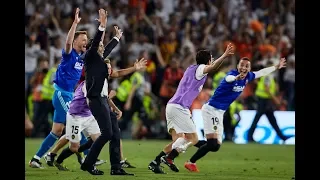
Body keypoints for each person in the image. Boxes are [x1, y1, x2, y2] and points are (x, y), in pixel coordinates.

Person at [184, 57, 287, 172]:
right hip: (211, 110)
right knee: (212, 143)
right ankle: (191, 162)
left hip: (219, 112)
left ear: (249, 68)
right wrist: (236, 78)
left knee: (215, 146)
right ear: (238, 66)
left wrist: (277, 66)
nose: (243, 68)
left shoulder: (248, 77)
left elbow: (262, 72)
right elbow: (228, 79)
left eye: (246, 66)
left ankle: (190, 141)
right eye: (241, 65)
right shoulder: (232, 74)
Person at [148, 44, 234, 174]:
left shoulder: (190, 68)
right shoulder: (200, 69)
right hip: (179, 107)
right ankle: (170, 158)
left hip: (171, 106)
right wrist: (224, 55)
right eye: (211, 58)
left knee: (178, 142)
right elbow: (214, 67)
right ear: (208, 60)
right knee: (192, 139)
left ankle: (155, 162)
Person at [53, 58, 146, 171]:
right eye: (107, 67)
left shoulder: (104, 80)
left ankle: (89, 163)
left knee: (99, 139)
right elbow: (90, 100)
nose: (110, 69)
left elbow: (105, 96)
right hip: (76, 116)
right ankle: (57, 159)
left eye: (110, 67)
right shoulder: (91, 82)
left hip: (88, 115)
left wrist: (115, 108)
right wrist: (102, 111)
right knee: (74, 147)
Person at [29, 8, 90, 168]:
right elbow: (68, 42)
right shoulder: (70, 54)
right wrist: (75, 24)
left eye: (86, 39)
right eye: (83, 39)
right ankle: (89, 157)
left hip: (68, 95)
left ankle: (35, 158)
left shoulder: (82, 58)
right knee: (76, 123)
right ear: (76, 41)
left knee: (57, 131)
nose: (85, 41)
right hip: (62, 94)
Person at [80, 9, 132, 176]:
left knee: (115, 133)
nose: (102, 47)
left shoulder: (99, 58)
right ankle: (88, 163)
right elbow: (96, 43)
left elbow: (105, 49)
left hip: (102, 99)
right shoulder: (91, 56)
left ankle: (116, 167)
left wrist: (117, 38)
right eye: (100, 46)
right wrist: (102, 25)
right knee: (107, 133)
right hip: (95, 99)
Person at [247, 61, 291, 143]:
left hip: (265, 100)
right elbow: (267, 89)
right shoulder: (268, 76)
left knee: (271, 120)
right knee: (259, 119)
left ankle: (282, 137)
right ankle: (249, 137)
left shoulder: (269, 76)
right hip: (263, 100)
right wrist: (276, 100)